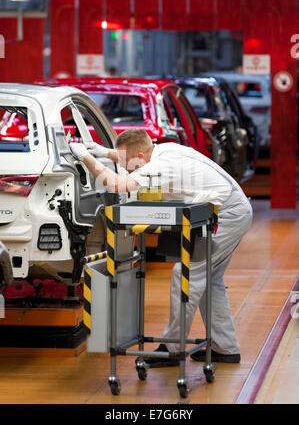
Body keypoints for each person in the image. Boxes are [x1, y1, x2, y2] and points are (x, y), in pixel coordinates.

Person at [70, 128, 252, 366]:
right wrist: (107, 153)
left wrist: (87, 158)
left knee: (185, 274)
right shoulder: (162, 149)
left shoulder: (160, 167)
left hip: (227, 215)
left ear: (142, 158)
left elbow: (115, 185)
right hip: (232, 208)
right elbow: (135, 155)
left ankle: (172, 348)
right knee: (210, 280)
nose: (127, 168)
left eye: (129, 164)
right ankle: (225, 347)